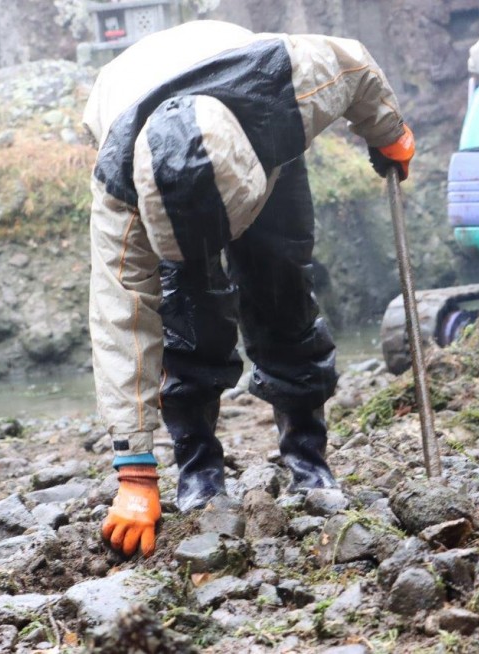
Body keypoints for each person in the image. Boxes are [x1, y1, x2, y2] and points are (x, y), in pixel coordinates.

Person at [82, 20, 414, 558]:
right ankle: (198, 471)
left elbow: (356, 68)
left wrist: (389, 132)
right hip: (134, 116)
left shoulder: (289, 80)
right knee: (185, 313)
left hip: (254, 128)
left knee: (281, 288)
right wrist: (135, 473)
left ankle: (307, 457)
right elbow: (122, 320)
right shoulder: (119, 188)